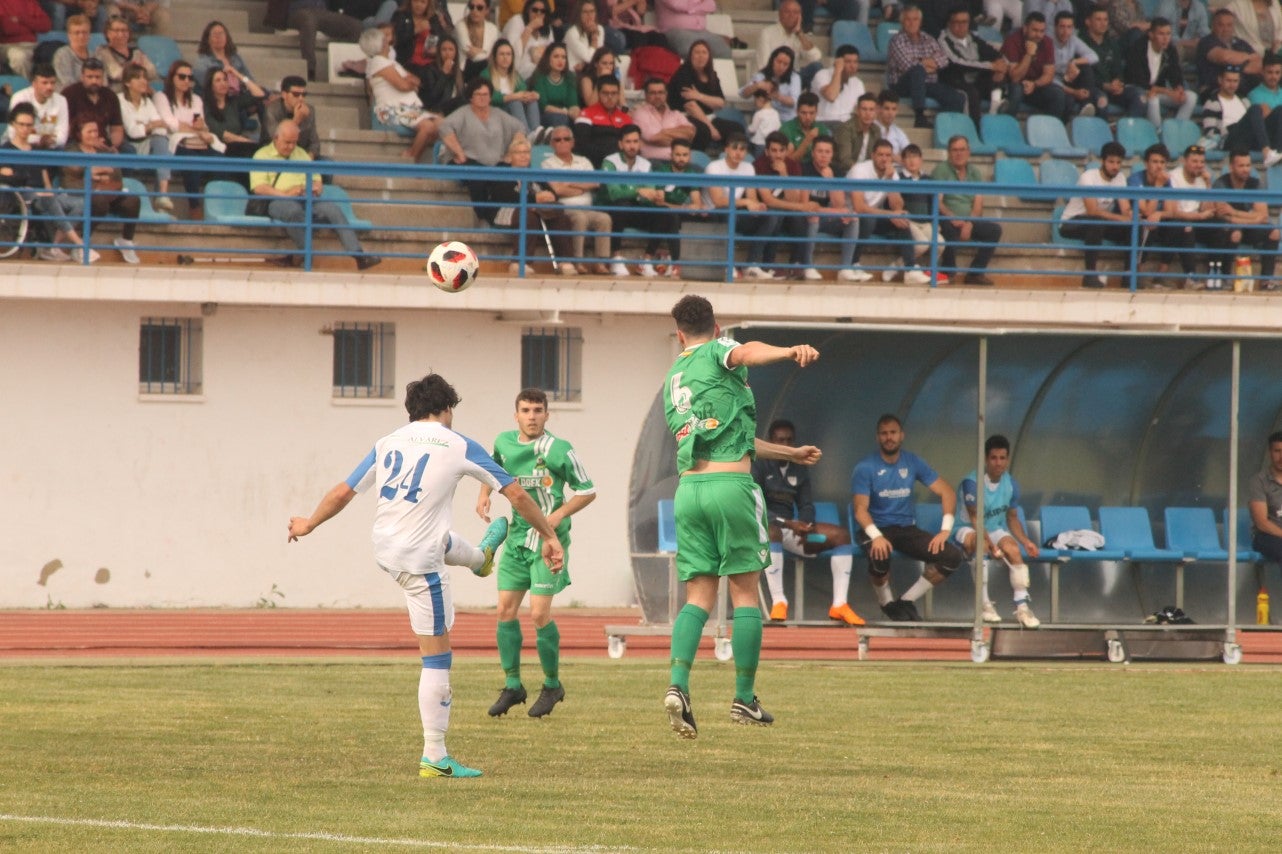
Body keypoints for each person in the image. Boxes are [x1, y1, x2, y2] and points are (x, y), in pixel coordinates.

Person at [288, 372, 563, 778]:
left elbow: (344, 492)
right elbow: (517, 494)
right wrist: (550, 535)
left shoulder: (388, 441)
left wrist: (308, 523)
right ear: (447, 408)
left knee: (440, 535)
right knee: (437, 658)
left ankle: (478, 558)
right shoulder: (458, 443)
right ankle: (435, 757)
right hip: (419, 563)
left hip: (386, 547)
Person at [662, 294, 822, 738]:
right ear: (716, 329)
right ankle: (744, 697)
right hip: (732, 489)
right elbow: (746, 350)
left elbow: (734, 437)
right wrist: (791, 351)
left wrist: (789, 452)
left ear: (679, 336)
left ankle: (678, 685)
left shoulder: (674, 375)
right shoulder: (719, 350)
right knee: (746, 593)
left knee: (698, 596)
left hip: (690, 490)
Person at [476, 387, 594, 718]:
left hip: (548, 543)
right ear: (516, 415)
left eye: (537, 410)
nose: (532, 416)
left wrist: (555, 517)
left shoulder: (559, 449)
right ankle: (513, 686)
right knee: (504, 611)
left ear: (547, 415)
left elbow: (589, 490)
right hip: (516, 541)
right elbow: (489, 467)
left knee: (539, 614)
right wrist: (483, 494)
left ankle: (553, 684)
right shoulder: (504, 443)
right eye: (526, 410)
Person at [851, 413, 966, 622]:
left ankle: (905, 601)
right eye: (884, 434)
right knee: (880, 554)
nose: (889, 437)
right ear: (878, 438)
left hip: (906, 529)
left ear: (901, 435)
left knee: (952, 556)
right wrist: (876, 536)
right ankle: (887, 603)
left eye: (893, 433)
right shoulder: (866, 467)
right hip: (876, 528)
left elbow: (947, 492)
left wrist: (945, 530)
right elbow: (860, 509)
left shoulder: (912, 462)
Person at [752, 419, 861, 625]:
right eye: (780, 440)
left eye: (789, 440)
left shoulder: (798, 468)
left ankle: (839, 604)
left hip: (794, 532)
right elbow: (755, 507)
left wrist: (805, 524)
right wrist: (786, 523)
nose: (785, 444)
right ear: (770, 441)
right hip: (764, 532)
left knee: (841, 536)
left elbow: (807, 504)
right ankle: (779, 601)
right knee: (772, 531)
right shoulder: (758, 465)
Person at [250, 118, 383, 270]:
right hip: (278, 201)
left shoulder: (301, 154)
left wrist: (313, 189)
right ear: (276, 138)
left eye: (294, 142)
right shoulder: (261, 155)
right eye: (287, 142)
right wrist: (285, 194)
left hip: (305, 198)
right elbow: (259, 187)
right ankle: (306, 254)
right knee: (293, 212)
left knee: (333, 209)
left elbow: (317, 182)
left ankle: (359, 256)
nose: (291, 147)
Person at [954, 435, 1042, 628]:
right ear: (986, 459)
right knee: (981, 546)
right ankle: (984, 605)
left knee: (1014, 550)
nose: (998, 463)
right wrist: (992, 546)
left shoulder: (1011, 484)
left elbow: (1012, 518)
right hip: (966, 528)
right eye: (994, 458)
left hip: (994, 528)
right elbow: (975, 519)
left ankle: (1022, 608)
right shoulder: (971, 482)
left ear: (1007, 460)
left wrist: (1026, 541)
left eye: (1002, 458)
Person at [0, 101, 95, 262]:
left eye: (29, 125)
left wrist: (49, 191)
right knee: (46, 198)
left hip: (42, 194)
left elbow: (45, 180)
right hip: (20, 195)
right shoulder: (6, 149)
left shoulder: (37, 150)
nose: (25, 129)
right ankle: (80, 244)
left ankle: (53, 246)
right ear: (13, 125)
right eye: (21, 124)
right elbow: (8, 177)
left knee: (79, 203)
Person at [599, 123, 680, 276]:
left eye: (635, 142)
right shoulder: (610, 161)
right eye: (628, 142)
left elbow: (648, 191)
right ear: (620, 144)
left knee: (665, 212)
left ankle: (646, 260)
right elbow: (614, 193)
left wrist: (656, 195)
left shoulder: (645, 164)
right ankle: (616, 258)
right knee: (622, 205)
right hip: (611, 208)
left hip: (636, 208)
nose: (632, 146)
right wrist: (638, 190)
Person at [61, 118, 142, 263]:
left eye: (96, 131)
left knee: (132, 201)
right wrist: (97, 172)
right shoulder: (72, 150)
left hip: (107, 192)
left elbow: (116, 177)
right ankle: (81, 244)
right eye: (89, 131)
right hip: (80, 193)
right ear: (79, 134)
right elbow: (73, 174)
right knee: (99, 201)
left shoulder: (104, 151)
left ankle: (126, 241)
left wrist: (95, 175)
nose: (93, 135)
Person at [849, 138, 927, 284]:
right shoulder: (859, 170)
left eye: (888, 155)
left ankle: (910, 270)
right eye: (880, 155)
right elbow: (859, 207)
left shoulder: (892, 173)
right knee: (868, 219)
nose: (884, 159)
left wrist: (890, 180)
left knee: (902, 219)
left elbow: (898, 206)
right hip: (851, 216)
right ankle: (853, 263)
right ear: (872, 155)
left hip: (873, 216)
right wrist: (891, 214)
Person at [359, 26, 441, 161]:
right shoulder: (377, 62)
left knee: (441, 123)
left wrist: (408, 82)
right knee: (428, 126)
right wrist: (407, 82)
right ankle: (410, 158)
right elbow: (403, 85)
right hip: (391, 110)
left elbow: (417, 81)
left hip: (407, 108)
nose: (387, 39)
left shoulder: (391, 63)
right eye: (384, 38)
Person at [155, 59, 223, 218]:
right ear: (172, 77)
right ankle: (194, 206)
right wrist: (195, 128)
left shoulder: (196, 99)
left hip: (198, 141)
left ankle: (217, 207)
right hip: (176, 142)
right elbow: (171, 124)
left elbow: (203, 125)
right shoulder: (161, 97)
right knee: (191, 162)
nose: (186, 81)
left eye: (189, 78)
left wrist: (199, 128)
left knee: (220, 160)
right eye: (182, 76)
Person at [1059, 141, 1132, 288]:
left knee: (1134, 227)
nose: (1115, 166)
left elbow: (1125, 208)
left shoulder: (1120, 178)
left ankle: (1129, 275)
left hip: (1099, 223)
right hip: (1072, 223)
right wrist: (1122, 218)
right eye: (1111, 162)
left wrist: (1131, 217)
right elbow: (1092, 210)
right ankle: (1090, 275)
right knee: (1096, 222)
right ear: (1102, 161)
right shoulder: (1088, 177)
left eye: (1118, 162)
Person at [541, 126, 612, 274]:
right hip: (565, 209)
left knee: (604, 218)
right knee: (579, 218)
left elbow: (595, 183)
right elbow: (557, 190)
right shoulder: (547, 164)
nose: (562, 142)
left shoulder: (583, 161)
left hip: (588, 209)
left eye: (566, 139)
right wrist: (581, 186)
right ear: (552, 144)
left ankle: (601, 263)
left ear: (573, 142)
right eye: (557, 139)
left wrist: (569, 183)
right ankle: (577, 262)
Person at [932, 134, 1001, 285]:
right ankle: (948, 271)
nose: (959, 153)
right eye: (955, 150)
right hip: (947, 218)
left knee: (994, 230)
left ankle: (975, 274)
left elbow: (978, 203)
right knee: (948, 229)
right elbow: (938, 202)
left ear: (968, 152)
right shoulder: (941, 170)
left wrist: (970, 222)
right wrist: (952, 217)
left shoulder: (975, 172)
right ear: (949, 152)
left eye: (962, 149)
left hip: (969, 219)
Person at [1210, 147, 1280, 291]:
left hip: (1248, 228)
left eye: (1248, 165)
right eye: (1241, 165)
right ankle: (1225, 277)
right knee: (1233, 232)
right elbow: (1224, 215)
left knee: (1274, 232)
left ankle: (1266, 280)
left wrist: (1234, 212)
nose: (1246, 169)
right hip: (1228, 229)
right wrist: (1250, 216)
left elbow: (1263, 215)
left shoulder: (1255, 184)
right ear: (1231, 167)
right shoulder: (1221, 184)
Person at [885, 4, 965, 129]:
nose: (912, 23)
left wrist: (922, 63)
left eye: (915, 19)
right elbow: (908, 66)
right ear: (902, 22)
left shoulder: (928, 39)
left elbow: (944, 60)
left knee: (957, 98)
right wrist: (929, 65)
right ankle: (920, 116)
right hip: (901, 84)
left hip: (926, 84)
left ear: (920, 22)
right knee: (917, 71)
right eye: (908, 19)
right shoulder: (896, 41)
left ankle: (940, 125)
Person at [752, 129, 817, 278]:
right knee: (776, 216)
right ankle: (766, 265)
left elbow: (793, 199)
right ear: (767, 151)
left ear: (787, 150)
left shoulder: (792, 165)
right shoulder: (758, 165)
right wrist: (802, 206)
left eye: (782, 150)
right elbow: (768, 200)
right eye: (774, 151)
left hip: (785, 210)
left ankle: (796, 264)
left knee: (799, 218)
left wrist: (784, 174)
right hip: (763, 212)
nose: (778, 155)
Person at [800, 136, 861, 281]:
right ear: (813, 153)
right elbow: (804, 205)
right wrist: (835, 211)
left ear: (832, 154)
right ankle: (807, 266)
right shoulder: (805, 169)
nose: (823, 155)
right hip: (807, 218)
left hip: (826, 217)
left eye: (827, 152)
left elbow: (839, 205)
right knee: (813, 218)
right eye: (820, 151)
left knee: (852, 219)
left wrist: (831, 181)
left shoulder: (836, 170)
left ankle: (845, 268)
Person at [938, 4, 1009, 123]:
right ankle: (974, 130)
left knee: (1002, 79)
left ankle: (995, 112)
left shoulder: (972, 37)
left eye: (965, 22)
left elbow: (994, 53)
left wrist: (1001, 67)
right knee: (971, 93)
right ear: (949, 23)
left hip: (976, 80)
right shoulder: (943, 40)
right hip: (955, 81)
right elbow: (957, 63)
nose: (961, 26)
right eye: (957, 22)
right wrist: (991, 66)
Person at [263, 0, 363, 83]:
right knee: (308, 19)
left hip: (321, 12)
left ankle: (347, 68)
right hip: (295, 12)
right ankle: (309, 69)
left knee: (356, 27)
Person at [667, 39, 741, 148]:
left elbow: (720, 102)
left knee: (736, 129)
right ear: (690, 56)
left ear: (709, 56)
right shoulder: (683, 74)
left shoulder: (712, 75)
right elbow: (691, 106)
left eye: (704, 52)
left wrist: (699, 96)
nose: (701, 56)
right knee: (703, 131)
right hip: (685, 117)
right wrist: (711, 128)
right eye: (697, 52)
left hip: (708, 117)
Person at [1201, 66, 1282, 165]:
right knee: (1255, 109)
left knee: (1279, 110)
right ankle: (1267, 152)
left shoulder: (1244, 100)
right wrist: (1231, 127)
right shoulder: (1213, 102)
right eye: (1229, 81)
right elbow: (1210, 132)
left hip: (1248, 140)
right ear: (1220, 80)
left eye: (1235, 81)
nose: (1232, 85)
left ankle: (1278, 152)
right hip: (1229, 140)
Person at [1127, 142, 1182, 286]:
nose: (1159, 166)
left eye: (1162, 162)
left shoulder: (1166, 181)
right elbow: (1145, 211)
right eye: (1155, 162)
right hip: (1135, 224)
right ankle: (1137, 274)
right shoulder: (1136, 179)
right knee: (1145, 225)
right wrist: (1157, 186)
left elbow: (1170, 211)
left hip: (1155, 222)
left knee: (1177, 226)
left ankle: (1160, 275)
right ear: (1146, 163)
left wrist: (1159, 214)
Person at [1122, 15, 1193, 127]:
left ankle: (1176, 130)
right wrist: (1168, 92)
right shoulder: (1138, 48)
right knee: (1153, 99)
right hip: (1138, 90)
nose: (1165, 38)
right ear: (1151, 35)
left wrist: (1179, 89)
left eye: (1168, 34)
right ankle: (1156, 133)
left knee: (1191, 97)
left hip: (1159, 91)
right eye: (1161, 34)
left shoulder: (1170, 50)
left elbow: (1175, 73)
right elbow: (1140, 83)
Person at [1160, 142, 1214, 287]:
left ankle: (1216, 277)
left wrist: (1208, 184)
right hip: (1178, 223)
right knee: (1185, 227)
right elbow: (1174, 212)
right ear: (1184, 161)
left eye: (1202, 162)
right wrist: (1199, 217)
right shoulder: (1173, 178)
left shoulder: (1202, 179)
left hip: (1196, 222)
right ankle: (1190, 277)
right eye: (1194, 161)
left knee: (1222, 228)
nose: (1199, 165)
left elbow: (1207, 209)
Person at [118, 64, 172, 205]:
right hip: (126, 146)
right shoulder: (120, 100)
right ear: (127, 82)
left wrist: (147, 126)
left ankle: (163, 195)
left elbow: (162, 129)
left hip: (145, 144)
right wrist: (152, 125)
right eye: (138, 78)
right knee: (161, 147)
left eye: (145, 78)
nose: (144, 81)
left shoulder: (147, 102)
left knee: (161, 141)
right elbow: (132, 131)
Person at [1002, 11, 1068, 121]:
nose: (1038, 35)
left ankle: (1048, 131)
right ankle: (1007, 127)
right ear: (1025, 28)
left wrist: (1034, 84)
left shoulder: (1047, 42)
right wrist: (1029, 55)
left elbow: (1049, 74)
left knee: (1058, 95)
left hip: (1034, 85)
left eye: (1042, 31)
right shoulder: (1012, 40)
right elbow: (1015, 77)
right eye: (1035, 30)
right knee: (1017, 90)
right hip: (1012, 85)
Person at [756, 0, 823, 89]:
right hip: (775, 79)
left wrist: (799, 34)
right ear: (780, 15)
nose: (791, 15)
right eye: (787, 12)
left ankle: (808, 101)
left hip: (794, 78)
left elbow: (816, 57)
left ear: (800, 16)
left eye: (796, 13)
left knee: (817, 67)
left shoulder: (799, 36)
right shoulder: (767, 33)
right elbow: (763, 65)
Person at [1050, 10, 1105, 118]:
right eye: (1062, 27)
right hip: (1054, 83)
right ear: (1055, 27)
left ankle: (1086, 104)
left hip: (1069, 79)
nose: (1066, 32)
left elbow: (1094, 56)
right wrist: (1074, 92)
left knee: (1086, 67)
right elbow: (1049, 77)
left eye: (1069, 27)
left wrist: (1074, 62)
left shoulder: (1073, 40)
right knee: (1068, 100)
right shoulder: (1048, 43)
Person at [1196, 7, 1262, 93]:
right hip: (1215, 89)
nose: (1225, 29)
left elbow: (1258, 63)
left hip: (1243, 90)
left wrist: (1237, 63)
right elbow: (1225, 57)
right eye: (1221, 25)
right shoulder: (1206, 42)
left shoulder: (1240, 42)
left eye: (1229, 25)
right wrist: (1247, 60)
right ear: (1212, 25)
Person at [63, 56, 123, 149]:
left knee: (128, 149)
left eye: (98, 77)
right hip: (76, 141)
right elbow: (65, 128)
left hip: (103, 141)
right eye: (90, 77)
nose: (94, 81)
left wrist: (113, 145)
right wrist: (89, 142)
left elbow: (117, 129)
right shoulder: (69, 94)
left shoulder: (111, 96)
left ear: (103, 78)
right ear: (82, 77)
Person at [483, 38, 539, 132]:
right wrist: (513, 96)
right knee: (515, 102)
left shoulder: (514, 74)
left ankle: (536, 131)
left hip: (514, 111)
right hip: (497, 111)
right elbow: (490, 97)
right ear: (495, 57)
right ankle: (527, 134)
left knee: (532, 101)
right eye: (502, 54)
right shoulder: (486, 74)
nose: (505, 58)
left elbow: (523, 91)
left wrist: (532, 95)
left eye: (508, 54)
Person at [632, 76, 695, 161]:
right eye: (653, 93)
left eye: (661, 92)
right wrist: (679, 137)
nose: (657, 96)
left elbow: (690, 133)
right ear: (646, 95)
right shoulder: (640, 114)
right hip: (653, 162)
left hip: (679, 162)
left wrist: (665, 132)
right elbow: (654, 138)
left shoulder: (676, 114)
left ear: (666, 94)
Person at [1079, 3, 1126, 114]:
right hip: (1092, 89)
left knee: (1139, 96)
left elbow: (1118, 70)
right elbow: (1083, 76)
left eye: (1105, 20)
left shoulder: (1112, 43)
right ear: (1088, 22)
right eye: (1098, 19)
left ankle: (1123, 128)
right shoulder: (1080, 43)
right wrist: (1105, 86)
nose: (1103, 23)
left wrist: (1117, 82)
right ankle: (1101, 130)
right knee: (1102, 100)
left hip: (1112, 89)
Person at [9, 62, 69, 148]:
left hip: (50, 150)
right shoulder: (20, 98)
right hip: (18, 148)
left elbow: (62, 136)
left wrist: (51, 141)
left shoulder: (61, 101)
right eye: (44, 83)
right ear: (34, 83)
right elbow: (13, 133)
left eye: (52, 83)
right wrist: (39, 140)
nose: (49, 87)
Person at [572, 71, 627, 166]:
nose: (610, 97)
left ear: (618, 95)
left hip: (619, 166)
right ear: (598, 94)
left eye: (614, 93)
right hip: (592, 164)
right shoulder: (586, 114)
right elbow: (581, 145)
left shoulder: (625, 118)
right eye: (605, 93)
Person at [391, 0, 455, 80]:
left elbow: (443, 39)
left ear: (428, 4)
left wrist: (438, 49)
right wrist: (415, 30)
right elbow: (395, 40)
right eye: (415, 1)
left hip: (430, 62)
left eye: (423, 2)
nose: (418, 5)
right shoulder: (400, 15)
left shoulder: (434, 18)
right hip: (407, 61)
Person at [261, 75, 321, 160]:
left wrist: (308, 159)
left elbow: (315, 143)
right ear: (284, 95)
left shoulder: (309, 110)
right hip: (274, 154)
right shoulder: (272, 110)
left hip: (301, 155)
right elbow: (276, 140)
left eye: (304, 94)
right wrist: (296, 120)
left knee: (327, 162)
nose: (301, 98)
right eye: (296, 94)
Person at [95, 12, 158, 92]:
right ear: (108, 33)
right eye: (116, 30)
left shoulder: (136, 51)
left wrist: (130, 70)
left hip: (139, 93)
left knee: (158, 96)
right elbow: (116, 73)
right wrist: (139, 69)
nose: (121, 34)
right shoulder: (103, 51)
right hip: (117, 93)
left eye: (124, 30)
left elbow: (152, 71)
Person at [192, 21, 254, 101]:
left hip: (239, 95)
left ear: (226, 37)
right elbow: (210, 88)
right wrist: (239, 83)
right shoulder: (202, 62)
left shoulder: (236, 58)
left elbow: (249, 80)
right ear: (208, 39)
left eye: (221, 33)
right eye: (215, 34)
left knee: (262, 96)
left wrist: (242, 79)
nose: (219, 37)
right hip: (216, 101)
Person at [742, 45, 801, 125]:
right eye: (779, 62)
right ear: (772, 60)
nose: (781, 67)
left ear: (790, 66)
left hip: (786, 120)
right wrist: (757, 85)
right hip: (764, 118)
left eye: (785, 64)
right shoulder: (761, 75)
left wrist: (777, 96)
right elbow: (744, 94)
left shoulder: (795, 77)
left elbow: (794, 101)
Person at [527, 41, 580, 129]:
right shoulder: (539, 76)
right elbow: (544, 106)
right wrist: (566, 112)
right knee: (560, 119)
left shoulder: (570, 77)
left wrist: (576, 114)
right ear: (548, 58)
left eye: (563, 57)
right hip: (545, 116)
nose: (560, 60)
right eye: (556, 56)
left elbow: (573, 104)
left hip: (566, 115)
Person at [654, 0, 730, 60]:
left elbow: (711, 6)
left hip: (701, 32)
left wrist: (691, 7)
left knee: (722, 48)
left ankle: (718, 78)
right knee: (689, 48)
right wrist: (700, 3)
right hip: (674, 31)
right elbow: (677, 4)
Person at [810, 43, 864, 127]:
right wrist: (838, 70)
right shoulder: (822, 74)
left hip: (847, 126)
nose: (853, 66)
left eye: (855, 62)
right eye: (848, 62)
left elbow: (861, 110)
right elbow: (831, 96)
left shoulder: (858, 83)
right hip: (823, 123)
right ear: (838, 61)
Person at [1249, 431, 1282, 567]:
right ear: (1270, 452)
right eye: (1277, 451)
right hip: (1267, 536)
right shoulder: (1259, 481)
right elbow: (1261, 522)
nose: (1281, 457)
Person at [501, 0, 554, 79]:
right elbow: (512, 53)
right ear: (528, 10)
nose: (538, 14)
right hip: (518, 74)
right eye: (534, 10)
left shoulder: (547, 27)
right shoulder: (516, 21)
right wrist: (530, 27)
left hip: (541, 73)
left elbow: (552, 52)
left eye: (542, 11)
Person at [831, 90, 880, 176]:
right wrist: (863, 172)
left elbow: (877, 157)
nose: (868, 113)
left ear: (876, 112)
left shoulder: (876, 130)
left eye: (871, 110)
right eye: (864, 109)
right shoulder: (846, 129)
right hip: (843, 173)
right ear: (857, 110)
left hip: (866, 174)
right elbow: (845, 160)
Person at [0, 0, 49, 80]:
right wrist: (24, 26)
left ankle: (25, 87)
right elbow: (7, 29)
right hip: (2, 44)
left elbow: (46, 26)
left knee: (18, 57)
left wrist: (22, 19)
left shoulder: (29, 2)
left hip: (24, 45)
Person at [780, 91, 829, 165]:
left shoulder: (822, 129)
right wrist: (807, 140)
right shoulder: (786, 129)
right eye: (803, 113)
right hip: (795, 171)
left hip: (816, 168)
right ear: (797, 111)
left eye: (812, 113)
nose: (808, 117)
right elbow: (789, 163)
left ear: (817, 112)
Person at [457, 0, 499, 78]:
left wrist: (482, 52)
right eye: (472, 7)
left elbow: (494, 54)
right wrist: (487, 54)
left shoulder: (493, 28)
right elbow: (472, 54)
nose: (475, 10)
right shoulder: (461, 26)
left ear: (487, 10)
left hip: (487, 70)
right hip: (465, 72)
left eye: (479, 8)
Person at [563, 0, 606, 74]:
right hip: (573, 72)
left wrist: (585, 65)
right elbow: (589, 58)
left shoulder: (600, 29)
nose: (589, 15)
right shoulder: (572, 33)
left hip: (589, 70)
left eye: (592, 11)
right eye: (585, 12)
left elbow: (600, 56)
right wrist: (594, 36)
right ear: (579, 14)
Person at [52, 13, 91, 88]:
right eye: (77, 33)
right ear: (69, 35)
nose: (81, 36)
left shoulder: (94, 56)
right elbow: (68, 83)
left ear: (89, 34)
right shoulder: (62, 55)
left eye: (84, 32)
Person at [873, 90, 910, 158]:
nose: (890, 113)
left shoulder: (898, 132)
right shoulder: (870, 128)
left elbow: (909, 154)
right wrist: (894, 157)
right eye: (887, 109)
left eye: (894, 109)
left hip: (896, 167)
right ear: (878, 108)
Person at [746, 86, 781, 150]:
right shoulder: (776, 113)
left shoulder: (759, 114)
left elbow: (752, 129)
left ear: (760, 99)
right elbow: (778, 126)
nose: (755, 103)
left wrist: (747, 129)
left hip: (759, 143)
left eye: (755, 100)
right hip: (771, 143)